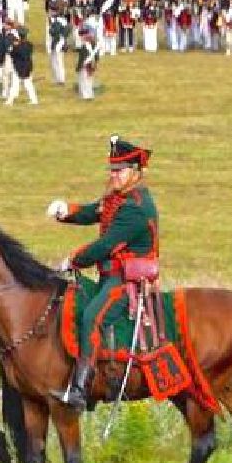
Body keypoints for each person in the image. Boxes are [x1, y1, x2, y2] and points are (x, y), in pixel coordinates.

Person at [47, 136, 158, 409]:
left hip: (125, 281)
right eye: (112, 170)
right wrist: (67, 211)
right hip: (109, 277)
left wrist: (72, 260)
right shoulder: (119, 199)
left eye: (119, 171)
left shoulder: (135, 208)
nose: (114, 175)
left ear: (135, 172)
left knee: (91, 317)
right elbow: (93, 212)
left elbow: (105, 246)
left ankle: (80, 390)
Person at [5, 25, 38, 105]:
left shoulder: (16, 46)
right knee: (28, 84)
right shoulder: (30, 45)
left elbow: (12, 54)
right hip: (28, 66)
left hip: (18, 67)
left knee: (15, 84)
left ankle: (10, 101)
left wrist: (13, 46)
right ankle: (34, 100)